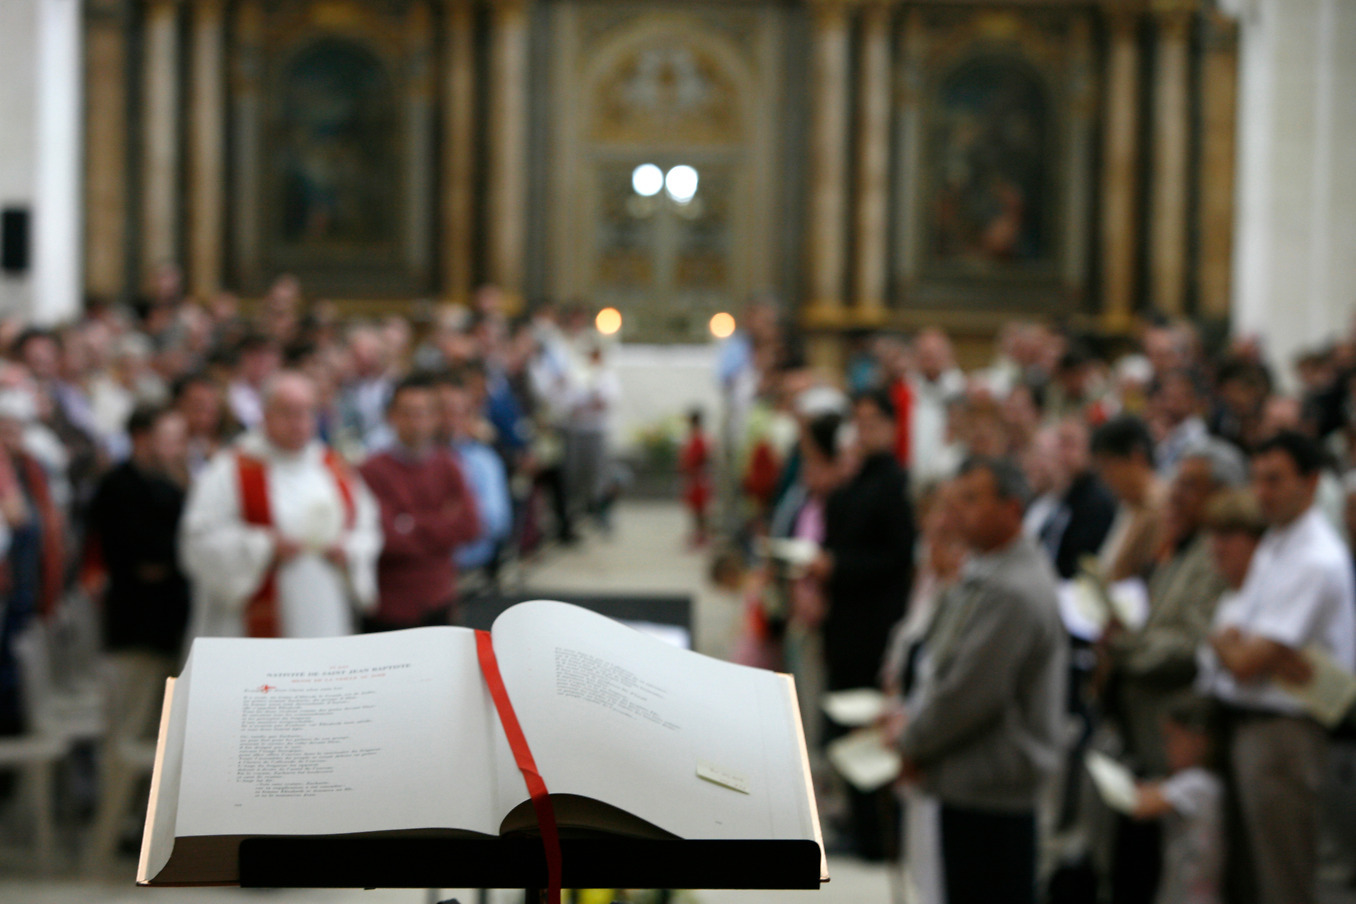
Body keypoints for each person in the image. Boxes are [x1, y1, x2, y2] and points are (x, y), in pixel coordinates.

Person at [894, 456, 1067, 904]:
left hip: (994, 787)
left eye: (972, 500)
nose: (959, 513)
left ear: (1012, 509)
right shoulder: (989, 569)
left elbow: (970, 694)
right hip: (970, 780)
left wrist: (913, 743)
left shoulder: (1014, 587)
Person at [1198, 431, 1356, 904]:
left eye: (1275, 480)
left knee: (1281, 880)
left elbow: (1244, 659)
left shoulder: (1315, 558)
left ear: (1309, 484)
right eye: (1256, 481)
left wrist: (1232, 645)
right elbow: (1230, 636)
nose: (1261, 493)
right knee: (1246, 877)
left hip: (1283, 735)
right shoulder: (1276, 543)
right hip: (1250, 724)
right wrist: (1233, 645)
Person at [180, 370, 382, 638]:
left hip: (324, 610)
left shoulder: (332, 467)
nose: (299, 422)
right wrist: (264, 546)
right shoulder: (230, 469)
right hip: (255, 620)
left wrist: (348, 549)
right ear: (265, 413)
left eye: (306, 412)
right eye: (288, 412)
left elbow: (367, 527)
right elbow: (198, 540)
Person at [810, 387, 915, 860]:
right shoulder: (857, 477)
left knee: (866, 730)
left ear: (892, 428)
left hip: (875, 624)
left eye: (874, 422)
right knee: (842, 728)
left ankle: (876, 833)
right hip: (845, 621)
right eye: (859, 421)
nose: (864, 430)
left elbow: (896, 559)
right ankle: (855, 819)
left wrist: (839, 568)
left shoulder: (893, 483)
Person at [87, 405, 192, 736]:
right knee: (127, 729)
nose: (179, 450)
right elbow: (149, 559)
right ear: (142, 438)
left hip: (168, 624)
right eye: (170, 440)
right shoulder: (118, 486)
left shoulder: (169, 484)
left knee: (161, 733)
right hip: (136, 629)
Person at [359, 374, 480, 631]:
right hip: (389, 607)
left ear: (436, 418)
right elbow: (385, 538)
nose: (416, 422)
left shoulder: (449, 465)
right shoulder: (371, 470)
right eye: (407, 413)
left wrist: (411, 523)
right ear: (391, 416)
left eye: (424, 413)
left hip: (440, 599)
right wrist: (441, 522)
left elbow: (471, 525)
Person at [1128, 694, 1224, 904]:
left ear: (1198, 740)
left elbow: (1140, 805)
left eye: (1171, 738)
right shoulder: (1206, 782)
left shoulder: (1198, 783)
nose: (1166, 749)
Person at [1090, 415, 1167, 583]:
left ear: (1136, 457)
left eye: (1108, 466)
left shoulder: (1160, 510)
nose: (1105, 478)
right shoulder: (1128, 505)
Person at [679, 408, 713, 547]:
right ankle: (698, 534)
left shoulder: (699, 438)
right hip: (694, 477)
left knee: (700, 509)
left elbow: (698, 457)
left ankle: (702, 535)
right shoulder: (695, 437)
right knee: (696, 509)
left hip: (698, 477)